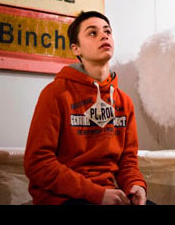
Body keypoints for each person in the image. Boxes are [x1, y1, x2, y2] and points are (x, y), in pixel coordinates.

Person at [24, 11, 148, 205]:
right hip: (62, 198)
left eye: (107, 31)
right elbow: (38, 164)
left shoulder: (124, 102)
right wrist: (97, 194)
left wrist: (135, 185)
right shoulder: (56, 93)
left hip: (108, 194)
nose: (104, 35)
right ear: (76, 49)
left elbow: (128, 161)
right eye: (92, 33)